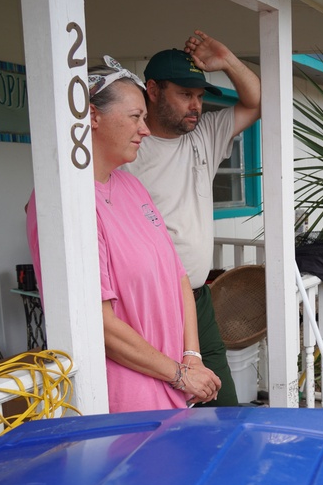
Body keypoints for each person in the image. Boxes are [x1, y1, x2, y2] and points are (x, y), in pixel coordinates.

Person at [26, 57, 221, 411]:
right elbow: (98, 323)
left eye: (144, 118)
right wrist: (179, 373)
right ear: (93, 117)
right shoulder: (63, 202)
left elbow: (178, 276)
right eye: (135, 117)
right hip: (129, 398)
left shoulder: (130, 185)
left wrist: (191, 356)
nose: (145, 130)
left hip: (174, 383)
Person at [123, 30, 262, 407]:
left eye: (200, 97)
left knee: (224, 408)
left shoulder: (203, 136)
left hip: (198, 301)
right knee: (167, 415)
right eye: (185, 94)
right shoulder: (128, 149)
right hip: (152, 307)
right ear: (152, 90)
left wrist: (228, 60)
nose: (196, 106)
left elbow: (256, 101)